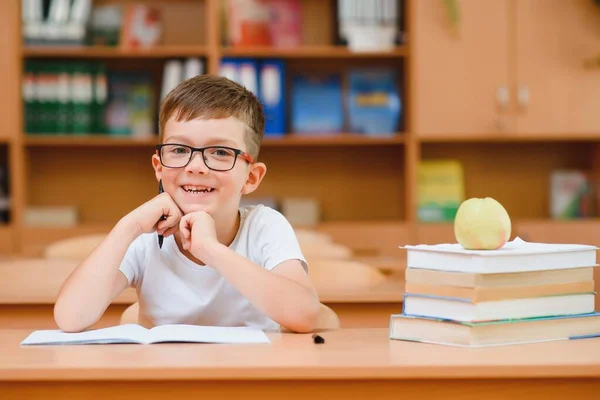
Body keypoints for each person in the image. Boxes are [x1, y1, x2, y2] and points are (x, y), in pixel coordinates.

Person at [54, 75, 321, 333]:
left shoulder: (264, 226)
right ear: (158, 167)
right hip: (166, 375)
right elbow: (70, 318)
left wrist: (210, 250)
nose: (196, 167)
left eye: (220, 152)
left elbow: (305, 314)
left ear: (251, 177)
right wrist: (129, 225)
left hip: (250, 375)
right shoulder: (145, 236)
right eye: (180, 150)